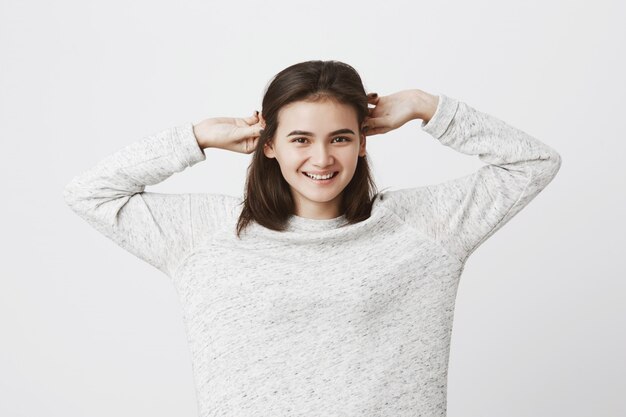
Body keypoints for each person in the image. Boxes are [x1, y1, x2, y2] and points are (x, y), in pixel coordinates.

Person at [63, 60, 562, 417]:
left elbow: (533, 164)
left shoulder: (424, 225)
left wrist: (423, 106)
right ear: (269, 145)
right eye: (301, 138)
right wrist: (196, 137)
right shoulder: (206, 234)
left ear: (363, 142)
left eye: (339, 138)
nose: (322, 159)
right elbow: (90, 194)